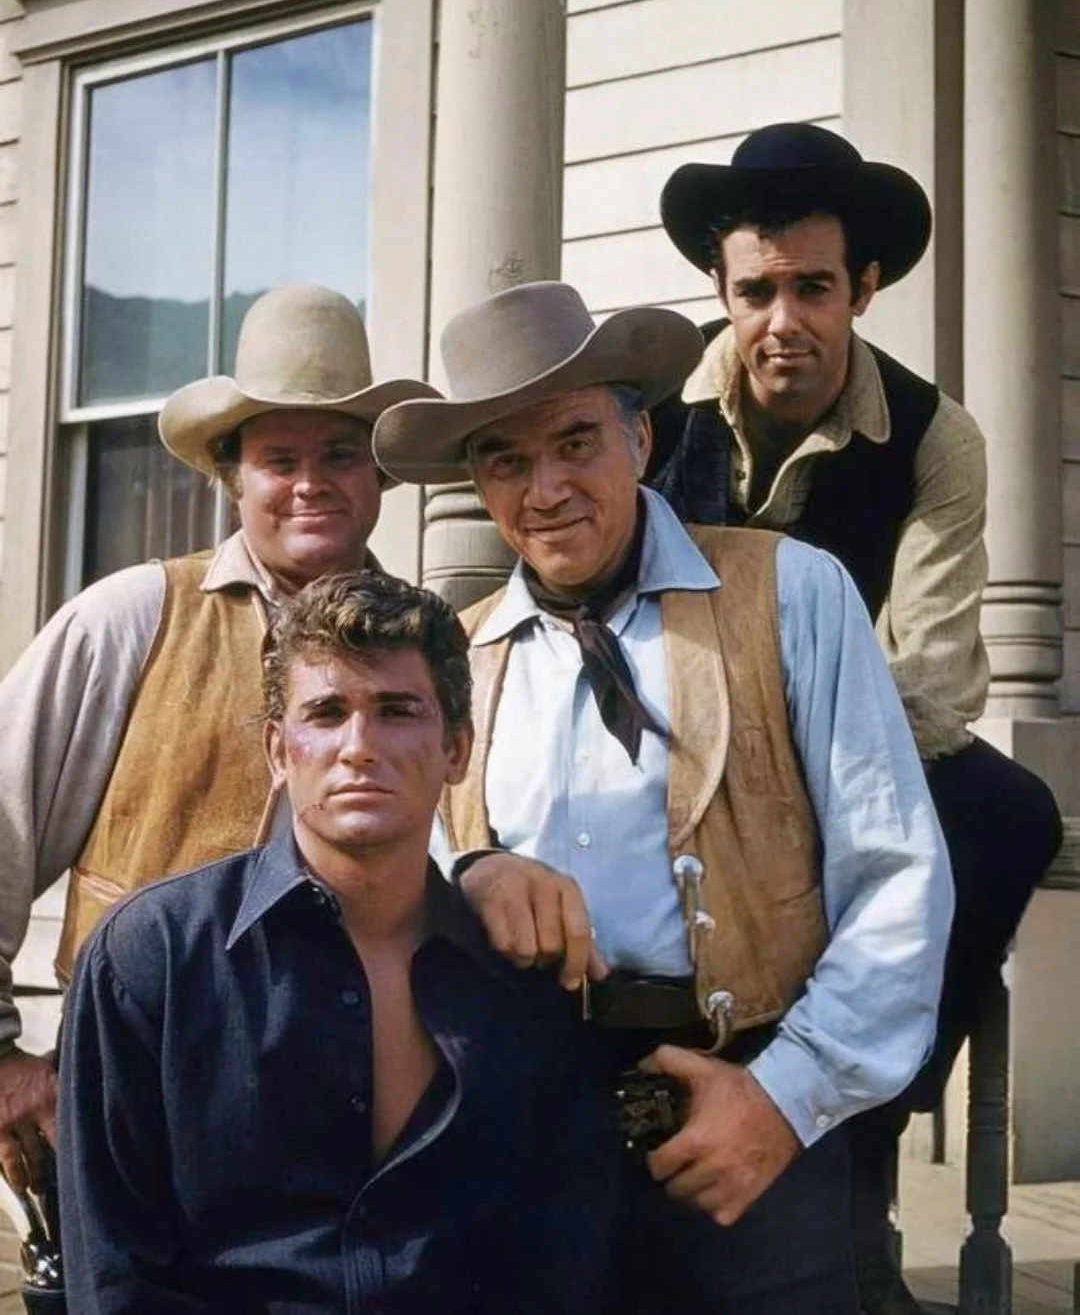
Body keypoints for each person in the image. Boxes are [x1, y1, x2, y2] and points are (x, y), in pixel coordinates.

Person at [373, 279, 953, 1314]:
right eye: (507, 459)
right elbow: (378, 868)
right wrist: (471, 866)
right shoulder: (460, 654)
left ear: (640, 440)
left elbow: (898, 874)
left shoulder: (792, 592)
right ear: (478, 485)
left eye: (575, 442)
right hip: (536, 1125)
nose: (545, 487)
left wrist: (784, 1099)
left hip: (758, 1101)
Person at [653, 122, 1064, 1313]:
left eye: (815, 289)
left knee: (1005, 810)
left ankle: (859, 1122)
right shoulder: (647, 413)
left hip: (861, 748)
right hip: (670, 735)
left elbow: (933, 679)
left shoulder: (939, 437)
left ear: (865, 287)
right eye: (758, 290)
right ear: (722, 291)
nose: (785, 321)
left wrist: (786, 784)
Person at [58, 571, 621, 1313]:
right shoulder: (152, 958)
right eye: (326, 713)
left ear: (457, 748)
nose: (359, 746)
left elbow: (561, 1269)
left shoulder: (521, 976)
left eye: (396, 711)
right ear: (277, 749)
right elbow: (113, 1278)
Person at [0, 284, 438, 1195]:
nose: (311, 482)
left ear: (379, 478)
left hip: (367, 1141)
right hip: (137, 1117)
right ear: (232, 476)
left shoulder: (432, 650)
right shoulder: (131, 620)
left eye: (340, 455)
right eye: (279, 459)